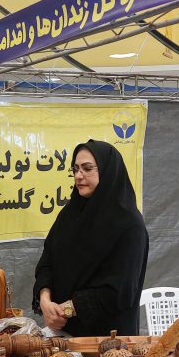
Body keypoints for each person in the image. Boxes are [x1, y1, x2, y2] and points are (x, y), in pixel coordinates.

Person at [32, 139, 149, 337]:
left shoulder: (130, 226)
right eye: (75, 169)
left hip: (109, 341)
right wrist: (45, 301)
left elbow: (119, 291)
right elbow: (47, 261)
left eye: (87, 169)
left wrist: (65, 310)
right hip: (63, 334)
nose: (79, 176)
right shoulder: (70, 215)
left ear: (108, 172)